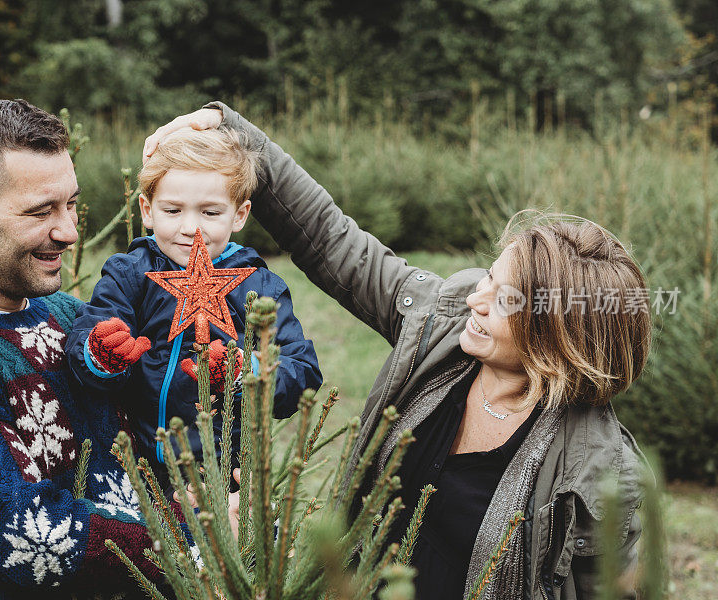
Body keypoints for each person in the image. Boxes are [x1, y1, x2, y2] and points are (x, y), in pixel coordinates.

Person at [144, 104, 650, 600]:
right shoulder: (441, 325)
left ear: (556, 335)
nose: (475, 298)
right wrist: (231, 129)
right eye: (489, 277)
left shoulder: (604, 474)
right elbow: (332, 238)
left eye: (501, 299)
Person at [0, 99, 179, 599]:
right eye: (42, 211)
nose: (70, 231)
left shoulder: (65, 315)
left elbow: (140, 435)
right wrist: (188, 539)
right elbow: (27, 538)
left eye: (71, 203)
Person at [65, 127, 322, 485]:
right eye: (172, 210)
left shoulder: (259, 288)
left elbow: (301, 372)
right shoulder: (130, 274)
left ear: (239, 214)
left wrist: (245, 371)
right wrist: (101, 353)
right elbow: (86, 341)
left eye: (210, 213)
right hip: (131, 467)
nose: (191, 228)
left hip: (222, 475)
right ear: (147, 210)